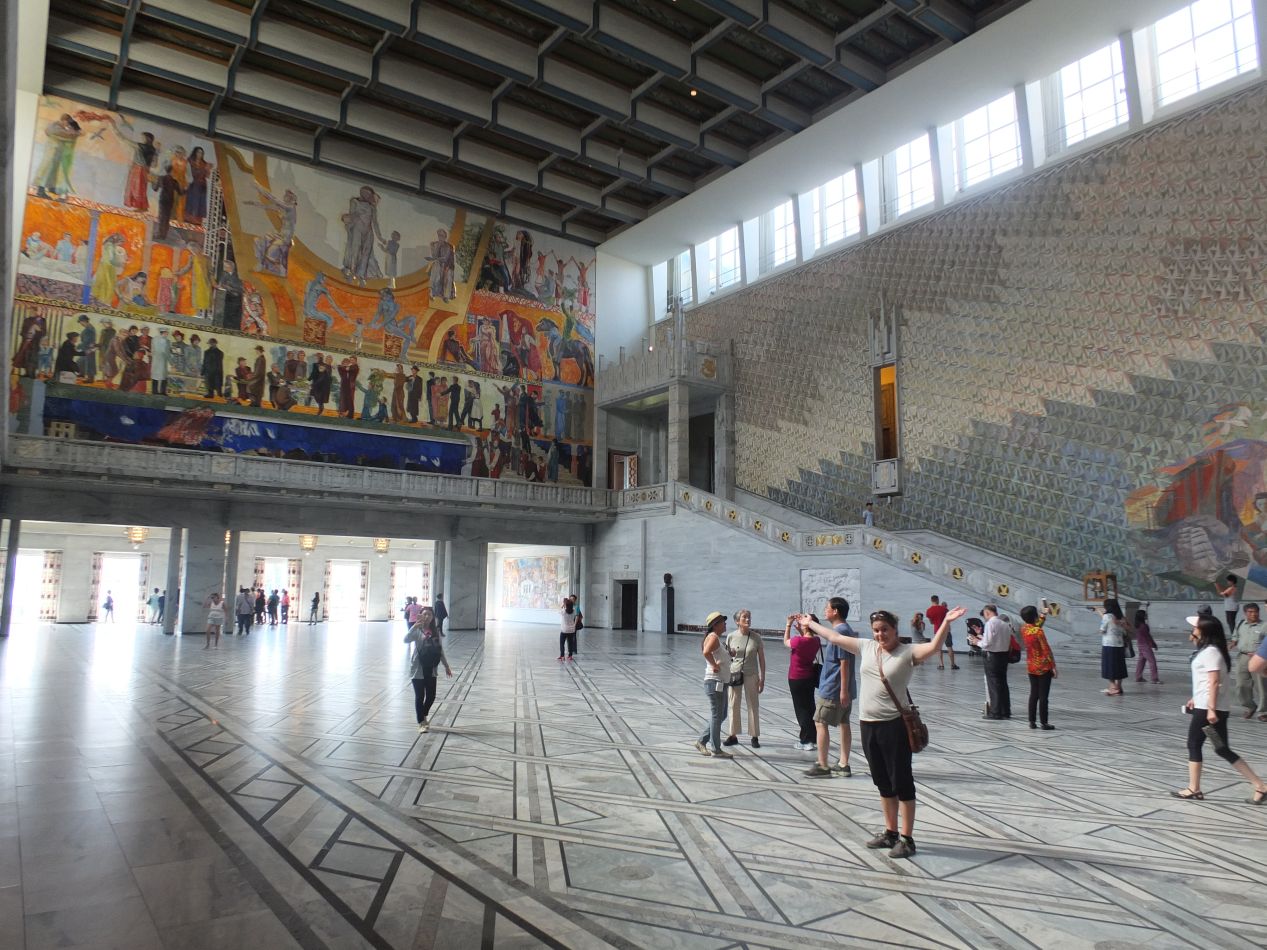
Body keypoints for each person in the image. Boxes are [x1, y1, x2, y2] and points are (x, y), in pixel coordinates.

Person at [799, 604, 967, 858]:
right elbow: (834, 637)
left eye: (885, 629)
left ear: (895, 629)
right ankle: (890, 833)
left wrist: (946, 622)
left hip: (894, 726)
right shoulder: (866, 647)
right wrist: (809, 623)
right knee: (882, 781)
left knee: (902, 782)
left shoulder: (907, 652)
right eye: (876, 630)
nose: (880, 634)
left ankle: (907, 839)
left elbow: (934, 647)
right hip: (868, 725)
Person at [1172, 615, 1267, 804]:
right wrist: (1195, 697)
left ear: (1204, 630)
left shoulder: (1211, 652)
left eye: (1195, 628)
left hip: (1207, 710)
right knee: (1222, 749)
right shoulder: (1210, 650)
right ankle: (1260, 786)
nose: (1193, 630)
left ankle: (1194, 788)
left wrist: (1211, 710)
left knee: (1194, 744)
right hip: (1207, 706)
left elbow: (1215, 682)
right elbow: (1207, 681)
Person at [803, 596, 856, 778]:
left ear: (835, 611)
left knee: (820, 722)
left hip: (834, 688)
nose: (825, 610)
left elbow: (844, 662)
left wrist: (843, 690)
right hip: (842, 688)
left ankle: (823, 764)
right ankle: (843, 764)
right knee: (844, 723)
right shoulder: (845, 630)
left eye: (827, 608)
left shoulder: (840, 632)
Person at [404, 607, 453, 733]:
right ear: (420, 615)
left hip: (431, 668)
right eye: (424, 614)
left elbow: (440, 650)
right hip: (418, 668)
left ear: (432, 617)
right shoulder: (417, 630)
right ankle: (421, 722)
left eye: (429, 615)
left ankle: (424, 714)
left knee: (431, 696)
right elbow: (406, 640)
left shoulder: (436, 631)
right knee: (420, 696)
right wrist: (414, 626)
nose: (427, 617)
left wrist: (446, 666)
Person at [723, 609, 766, 748]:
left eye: (749, 617)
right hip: (734, 673)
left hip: (751, 674)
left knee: (753, 704)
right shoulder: (731, 636)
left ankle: (754, 735)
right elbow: (727, 657)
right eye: (744, 617)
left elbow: (761, 659)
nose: (748, 619)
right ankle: (733, 735)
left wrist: (762, 678)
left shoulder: (756, 637)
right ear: (737, 621)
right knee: (733, 703)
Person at [693, 612, 734, 759]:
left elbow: (718, 655)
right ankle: (716, 749)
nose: (725, 624)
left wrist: (730, 655)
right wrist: (714, 665)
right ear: (716, 625)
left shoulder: (716, 638)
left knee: (721, 715)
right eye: (723, 622)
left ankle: (701, 741)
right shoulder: (713, 637)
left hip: (721, 682)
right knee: (717, 715)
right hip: (714, 682)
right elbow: (706, 652)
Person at [784, 613, 822, 751]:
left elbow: (786, 642)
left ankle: (806, 741)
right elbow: (806, 641)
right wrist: (802, 630)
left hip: (796, 678)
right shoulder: (816, 640)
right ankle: (813, 737)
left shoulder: (798, 641)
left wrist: (788, 625)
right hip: (809, 677)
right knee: (810, 706)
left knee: (801, 709)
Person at [969, 605, 1013, 719]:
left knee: (993, 684)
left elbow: (986, 643)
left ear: (987, 612)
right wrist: (980, 635)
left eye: (984, 614)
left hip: (992, 656)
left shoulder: (990, 624)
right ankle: (1005, 711)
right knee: (1003, 683)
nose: (984, 617)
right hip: (1003, 655)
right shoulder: (1005, 624)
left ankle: (995, 711)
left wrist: (976, 642)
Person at [1019, 605, 1057, 730]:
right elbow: (1046, 649)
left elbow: (1036, 626)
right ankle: (1044, 723)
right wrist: (1053, 666)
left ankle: (1032, 721)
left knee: (1034, 694)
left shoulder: (1024, 629)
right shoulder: (1039, 632)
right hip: (1043, 667)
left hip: (1031, 666)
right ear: (1034, 616)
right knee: (1043, 696)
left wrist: (1043, 615)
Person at [1232, 602, 1267, 720]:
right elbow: (1235, 637)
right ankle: (1249, 706)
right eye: (1250, 612)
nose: (1253, 614)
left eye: (1256, 612)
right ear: (1245, 613)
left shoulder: (1264, 625)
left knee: (1261, 686)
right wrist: (1232, 643)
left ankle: (1263, 711)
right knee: (1241, 684)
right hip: (1243, 657)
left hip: (1258, 658)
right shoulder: (1240, 624)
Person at [1098, 598, 1130, 696]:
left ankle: (1113, 688)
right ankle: (1119, 687)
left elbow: (1102, 630)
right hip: (1120, 645)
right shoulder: (1121, 617)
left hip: (1109, 645)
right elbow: (1125, 631)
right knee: (1119, 666)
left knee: (1109, 666)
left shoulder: (1107, 616)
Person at [925, 595, 958, 670]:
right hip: (946, 630)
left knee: (939, 648)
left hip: (937, 631)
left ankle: (941, 665)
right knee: (949, 647)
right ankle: (953, 664)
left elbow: (931, 622)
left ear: (931, 600)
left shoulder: (929, 610)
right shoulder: (944, 609)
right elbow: (949, 618)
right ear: (938, 600)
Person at [1134, 608, 1161, 685]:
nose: (1146, 615)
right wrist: (1153, 644)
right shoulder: (1144, 626)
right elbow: (1148, 636)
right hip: (1145, 645)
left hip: (1140, 644)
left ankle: (1138, 677)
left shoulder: (1138, 625)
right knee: (1152, 661)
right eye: (1145, 614)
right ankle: (1154, 679)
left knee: (1141, 661)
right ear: (1142, 616)